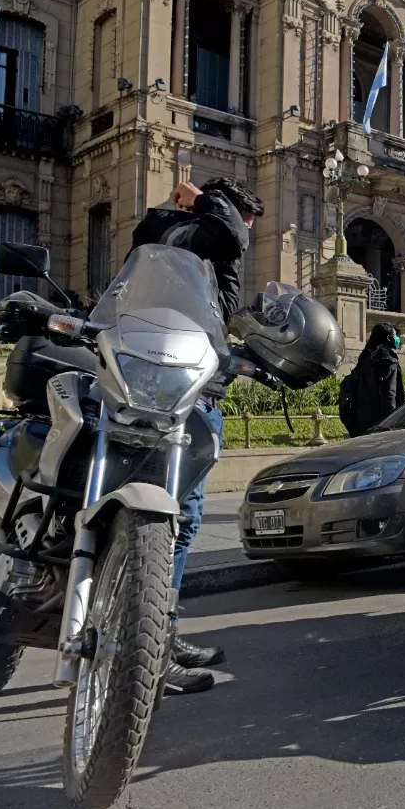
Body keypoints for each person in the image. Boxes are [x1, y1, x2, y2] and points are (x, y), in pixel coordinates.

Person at [130, 177, 262, 694]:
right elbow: (228, 234)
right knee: (174, 518)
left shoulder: (216, 249)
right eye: (244, 215)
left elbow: (231, 238)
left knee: (179, 521)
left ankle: (160, 631)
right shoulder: (174, 229)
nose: (249, 230)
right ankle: (149, 641)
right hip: (161, 386)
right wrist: (200, 198)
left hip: (191, 384)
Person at [339, 322, 405, 437]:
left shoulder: (365, 360)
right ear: (388, 338)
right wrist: (391, 426)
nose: (397, 339)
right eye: (395, 336)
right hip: (382, 426)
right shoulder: (389, 362)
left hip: (362, 425)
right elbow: (389, 396)